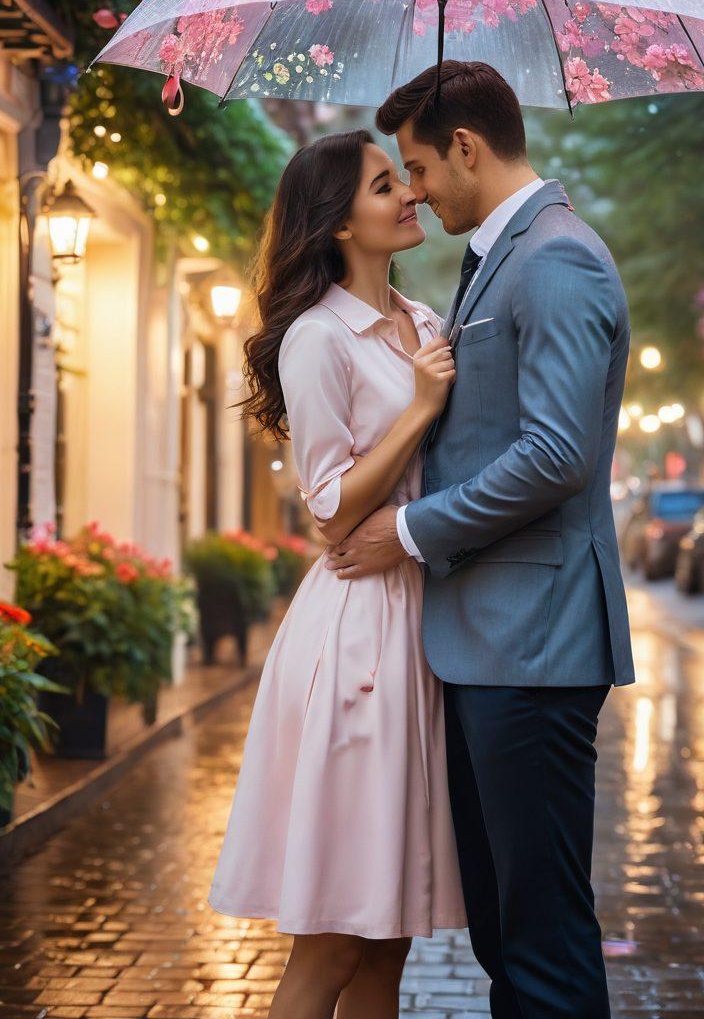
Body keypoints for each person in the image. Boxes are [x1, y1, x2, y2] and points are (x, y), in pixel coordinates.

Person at [325, 60, 636, 1019]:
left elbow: (555, 456)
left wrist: (408, 531)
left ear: (466, 147)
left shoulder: (557, 258)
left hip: (533, 645)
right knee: (508, 931)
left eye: (416, 166)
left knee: (540, 939)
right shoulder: (501, 258)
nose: (412, 190)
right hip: (490, 642)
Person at [207, 127, 467, 1019]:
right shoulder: (318, 339)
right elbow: (329, 510)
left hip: (422, 627)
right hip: (357, 630)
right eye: (385, 184)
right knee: (330, 941)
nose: (411, 195)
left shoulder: (427, 323)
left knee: (391, 940)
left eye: (407, 178)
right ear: (338, 223)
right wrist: (421, 405)